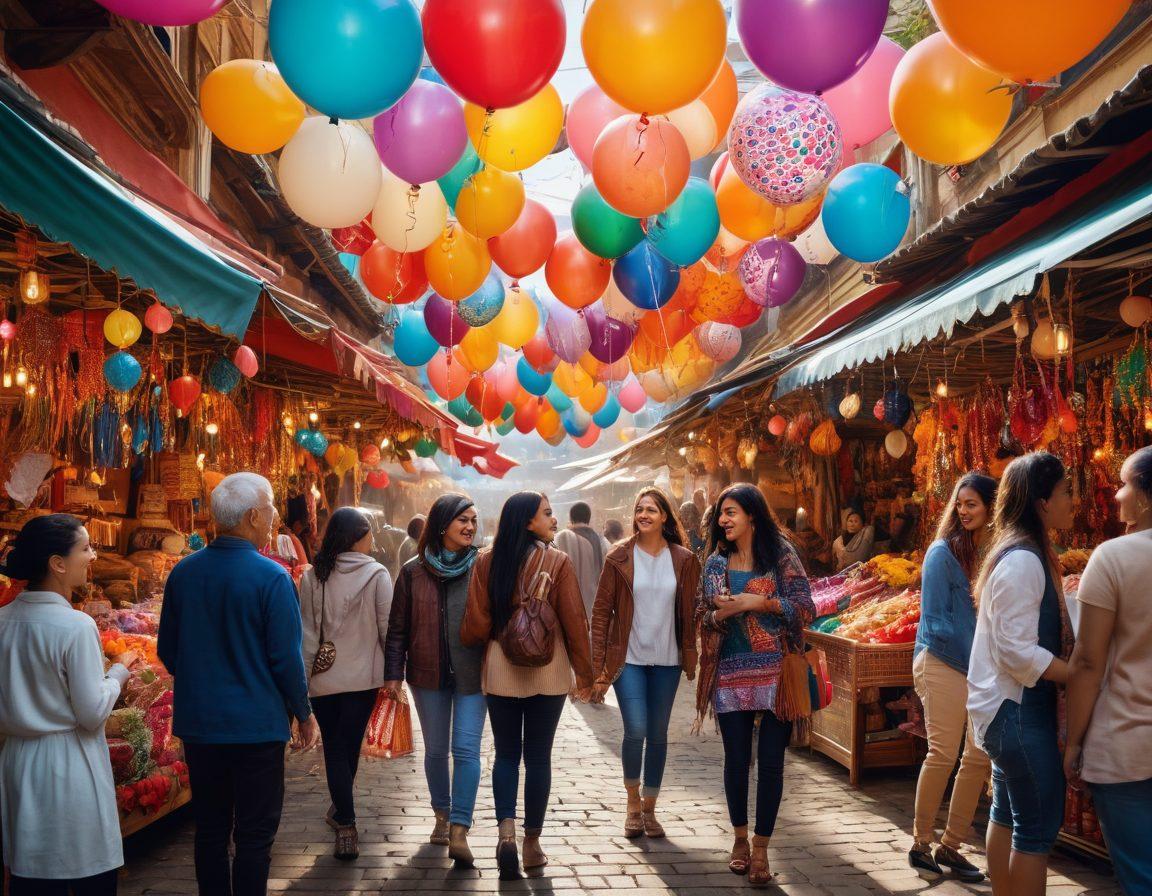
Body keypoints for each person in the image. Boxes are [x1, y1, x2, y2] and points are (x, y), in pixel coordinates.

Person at [158, 473, 319, 896]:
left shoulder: (183, 574)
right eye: (270, 509)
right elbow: (286, 659)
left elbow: (168, 652)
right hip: (257, 728)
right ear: (252, 516)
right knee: (254, 834)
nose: (274, 518)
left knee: (210, 830)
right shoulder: (271, 577)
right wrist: (303, 713)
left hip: (202, 726)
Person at [461, 492, 593, 881]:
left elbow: (475, 627)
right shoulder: (557, 561)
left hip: (502, 666)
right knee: (538, 757)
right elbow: (573, 621)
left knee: (505, 755)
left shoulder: (487, 561)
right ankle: (532, 843)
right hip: (548, 667)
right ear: (527, 522)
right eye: (547, 514)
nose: (554, 520)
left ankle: (505, 833)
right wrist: (586, 673)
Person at [0, 516, 129, 895]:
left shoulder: (3, 621)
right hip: (69, 766)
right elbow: (91, 714)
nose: (92, 556)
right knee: (87, 873)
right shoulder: (75, 626)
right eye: (85, 548)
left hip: (18, 761)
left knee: (30, 877)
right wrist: (118, 674)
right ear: (57, 563)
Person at [695, 484, 815, 888]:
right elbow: (702, 613)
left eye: (730, 512)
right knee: (735, 761)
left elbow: (805, 607)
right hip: (730, 672)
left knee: (772, 763)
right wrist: (720, 614)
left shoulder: (780, 554)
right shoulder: (715, 563)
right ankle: (740, 840)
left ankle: (762, 847)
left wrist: (756, 602)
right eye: (720, 514)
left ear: (751, 515)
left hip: (777, 673)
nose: (723, 520)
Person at [968, 452, 1075, 896]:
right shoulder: (1023, 561)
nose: (1074, 499)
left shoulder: (1019, 553)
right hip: (1016, 711)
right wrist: (1074, 673)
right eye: (1067, 491)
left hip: (1004, 710)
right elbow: (1015, 651)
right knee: (1036, 829)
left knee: (1007, 815)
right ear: (1042, 501)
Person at [1064, 446, 1152, 895]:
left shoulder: (1113, 558)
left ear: (1145, 498)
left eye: (1124, 484)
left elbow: (1088, 661)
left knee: (1141, 877)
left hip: (1126, 744)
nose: (1116, 495)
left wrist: (1074, 741)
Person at [590, 488, 701, 839]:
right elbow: (600, 612)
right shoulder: (619, 556)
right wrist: (597, 668)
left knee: (658, 735)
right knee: (635, 728)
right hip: (630, 659)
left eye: (652, 509)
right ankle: (632, 803)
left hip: (667, 661)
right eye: (639, 509)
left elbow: (693, 611)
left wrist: (691, 652)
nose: (644, 514)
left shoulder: (683, 559)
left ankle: (650, 808)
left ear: (665, 517)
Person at [384, 494, 485, 868]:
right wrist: (393, 675)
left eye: (474, 520)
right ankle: (441, 814)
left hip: (474, 674)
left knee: (467, 750)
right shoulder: (412, 571)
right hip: (427, 674)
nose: (470, 527)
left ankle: (460, 827)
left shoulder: (482, 567)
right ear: (442, 524)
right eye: (463, 520)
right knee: (437, 751)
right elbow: (397, 630)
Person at [908, 473, 997, 882]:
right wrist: (981, 656)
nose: (963, 511)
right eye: (960, 504)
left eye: (972, 504)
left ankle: (952, 845)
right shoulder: (942, 553)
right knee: (943, 753)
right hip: (943, 660)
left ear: (992, 507)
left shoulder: (993, 552)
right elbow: (939, 621)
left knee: (978, 756)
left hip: (978, 666)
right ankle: (921, 843)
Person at [299, 508, 394, 861]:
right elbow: (387, 629)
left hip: (323, 678)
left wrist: (305, 679)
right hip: (363, 681)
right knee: (347, 745)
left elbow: (306, 634)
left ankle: (342, 812)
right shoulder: (377, 574)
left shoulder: (313, 575)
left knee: (336, 748)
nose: (372, 539)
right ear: (356, 537)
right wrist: (394, 674)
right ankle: (347, 821)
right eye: (368, 532)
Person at [553, 502, 610, 618]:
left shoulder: (563, 538)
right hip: (595, 604)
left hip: (568, 603)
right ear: (588, 518)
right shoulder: (602, 541)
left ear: (571, 518)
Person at [831, 506, 875, 571]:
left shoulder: (866, 534)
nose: (852, 524)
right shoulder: (839, 540)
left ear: (863, 524)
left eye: (856, 521)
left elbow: (859, 559)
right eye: (850, 521)